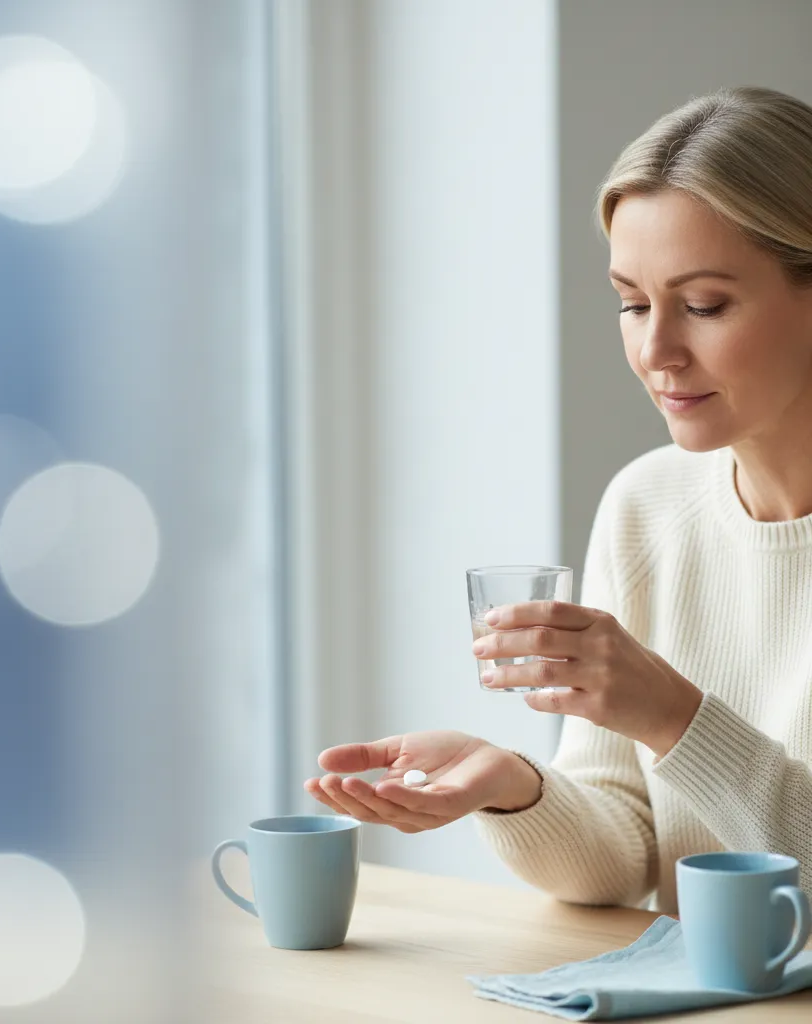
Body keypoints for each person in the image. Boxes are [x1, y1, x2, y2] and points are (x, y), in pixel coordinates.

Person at [305, 85, 812, 915]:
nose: (657, 351)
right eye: (632, 302)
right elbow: (623, 858)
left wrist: (677, 718)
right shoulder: (648, 505)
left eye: (703, 306)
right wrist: (516, 789)